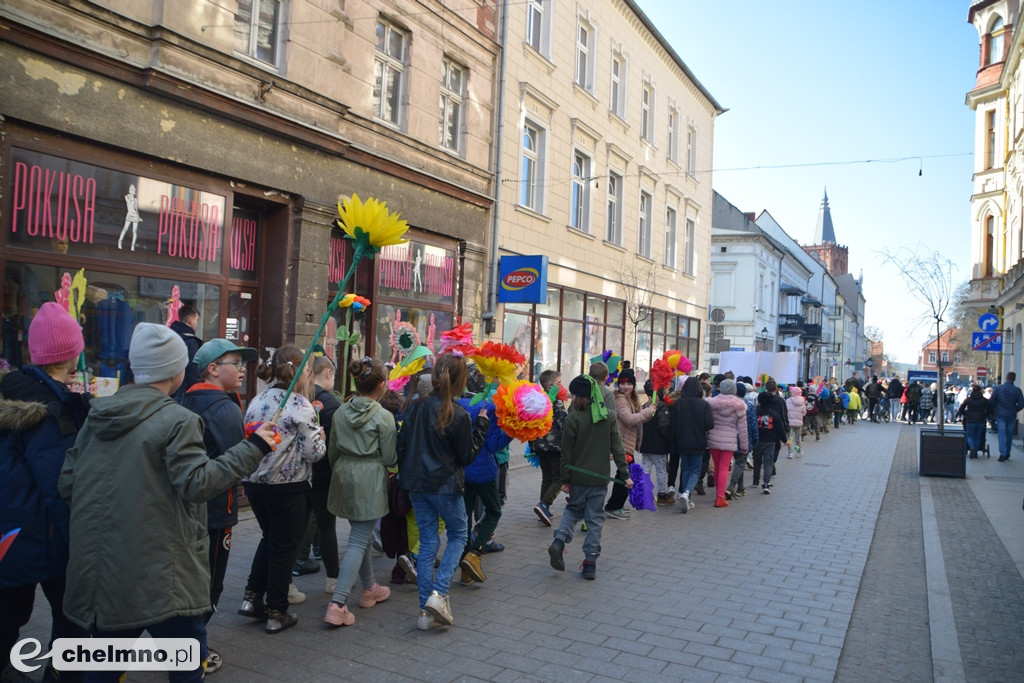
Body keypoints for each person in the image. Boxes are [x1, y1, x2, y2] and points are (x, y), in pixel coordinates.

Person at [59, 323, 277, 680]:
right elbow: (198, 483)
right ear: (177, 371)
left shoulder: (98, 415)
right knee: (187, 665)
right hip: (163, 575)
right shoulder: (178, 420)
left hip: (105, 572)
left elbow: (68, 483)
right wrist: (254, 448)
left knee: (104, 665)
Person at [1, 303, 90, 683]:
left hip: (10, 536)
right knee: (72, 622)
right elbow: (60, 488)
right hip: (50, 540)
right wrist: (82, 543)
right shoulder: (53, 412)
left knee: (7, 619)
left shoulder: (13, 393)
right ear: (71, 354)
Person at [180, 338, 259, 673]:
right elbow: (238, 460)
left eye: (243, 363)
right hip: (216, 509)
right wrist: (257, 444)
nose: (242, 370)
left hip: (189, 507)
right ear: (212, 369)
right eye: (234, 363)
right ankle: (193, 650)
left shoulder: (186, 399)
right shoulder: (224, 406)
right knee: (211, 584)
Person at [398, 353, 488, 630]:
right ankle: (438, 594)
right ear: (462, 380)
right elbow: (466, 456)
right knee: (459, 534)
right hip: (445, 486)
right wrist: (482, 427)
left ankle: (425, 611)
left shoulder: (414, 406)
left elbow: (401, 445)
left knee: (427, 542)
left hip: (417, 483)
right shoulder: (458, 413)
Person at [240, 345, 326, 634]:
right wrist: (321, 437)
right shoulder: (301, 406)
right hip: (287, 486)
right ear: (304, 373)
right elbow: (314, 453)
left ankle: (252, 596)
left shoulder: (257, 399)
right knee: (284, 547)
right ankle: (277, 609)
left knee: (270, 538)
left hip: (255, 482)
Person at [323, 357, 396, 627]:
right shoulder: (383, 416)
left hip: (344, 473)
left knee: (359, 534)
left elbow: (332, 450)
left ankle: (369, 588)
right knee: (357, 540)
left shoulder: (340, 411)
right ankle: (338, 603)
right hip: (370, 476)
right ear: (380, 385)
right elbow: (389, 457)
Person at [547, 374, 631, 580]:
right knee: (594, 520)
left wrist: (565, 479)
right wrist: (625, 474)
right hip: (600, 478)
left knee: (573, 509)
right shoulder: (609, 416)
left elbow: (565, 453)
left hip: (577, 477)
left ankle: (559, 541)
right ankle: (590, 563)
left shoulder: (573, 418)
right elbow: (618, 448)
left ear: (577, 396)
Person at [294, 356, 343, 587]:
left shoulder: (300, 399)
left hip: (300, 472)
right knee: (326, 527)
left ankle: (289, 578)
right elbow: (335, 445)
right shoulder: (332, 405)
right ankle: (333, 579)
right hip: (323, 473)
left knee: (298, 525)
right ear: (328, 373)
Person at [669, 376, 713, 513]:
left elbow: (673, 424)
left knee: (686, 468)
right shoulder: (703, 404)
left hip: (681, 441)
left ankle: (686, 496)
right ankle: (686, 492)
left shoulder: (677, 404)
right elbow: (709, 424)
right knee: (695, 470)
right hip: (698, 442)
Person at [530, 370, 567, 525]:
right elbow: (564, 426)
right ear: (552, 385)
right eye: (559, 382)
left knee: (547, 477)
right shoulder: (557, 404)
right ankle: (543, 504)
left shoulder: (537, 401)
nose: (562, 386)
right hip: (555, 448)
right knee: (559, 478)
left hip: (540, 446)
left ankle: (543, 508)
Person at [705, 379, 748, 508]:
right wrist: (745, 446)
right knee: (724, 467)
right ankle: (720, 497)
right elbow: (742, 429)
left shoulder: (712, 403)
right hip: (729, 440)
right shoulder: (739, 405)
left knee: (717, 467)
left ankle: (719, 493)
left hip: (714, 438)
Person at [639, 379, 674, 505]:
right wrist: (668, 439)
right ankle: (662, 494)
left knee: (645, 469)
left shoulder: (645, 406)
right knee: (660, 470)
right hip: (659, 445)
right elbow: (664, 426)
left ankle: (643, 493)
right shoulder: (662, 407)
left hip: (645, 443)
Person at [725, 382, 757, 500]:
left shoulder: (728, 405)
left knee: (739, 462)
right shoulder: (748, 406)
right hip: (744, 437)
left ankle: (741, 488)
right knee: (740, 463)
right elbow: (753, 425)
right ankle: (731, 486)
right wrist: (755, 440)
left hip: (730, 437)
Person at [755, 390, 788, 493]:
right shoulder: (774, 414)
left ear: (759, 401)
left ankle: (755, 480)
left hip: (757, 440)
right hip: (770, 441)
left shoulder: (756, 412)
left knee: (757, 461)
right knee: (768, 462)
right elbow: (779, 428)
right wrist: (784, 439)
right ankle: (766, 483)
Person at [170, 304, 204, 401]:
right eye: (196, 320)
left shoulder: (170, 338)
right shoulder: (191, 342)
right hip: (184, 394)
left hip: (169, 391)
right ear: (190, 321)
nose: (197, 323)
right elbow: (193, 369)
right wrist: (198, 391)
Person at [990, 371, 1024, 461]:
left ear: (1006, 378)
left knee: (1001, 434)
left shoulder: (998, 389)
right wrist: (1015, 409)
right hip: (1011, 415)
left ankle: (1003, 453)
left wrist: (992, 412)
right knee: (1009, 435)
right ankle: (1007, 452)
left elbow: (992, 401)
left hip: (1000, 414)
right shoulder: (1017, 390)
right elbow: (1021, 404)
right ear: (1014, 379)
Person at [958, 384, 994, 459]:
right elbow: (990, 410)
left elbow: (961, 409)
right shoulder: (984, 400)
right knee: (978, 437)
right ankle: (975, 451)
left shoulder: (968, 399)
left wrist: (966, 414)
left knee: (970, 436)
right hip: (981, 420)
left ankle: (972, 448)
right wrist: (985, 415)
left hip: (970, 420)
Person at [786, 385, 807, 458]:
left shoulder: (788, 400)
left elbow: (786, 411)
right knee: (798, 438)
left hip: (790, 422)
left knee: (790, 438)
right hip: (798, 423)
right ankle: (798, 452)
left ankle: (790, 453)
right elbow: (804, 413)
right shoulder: (802, 401)